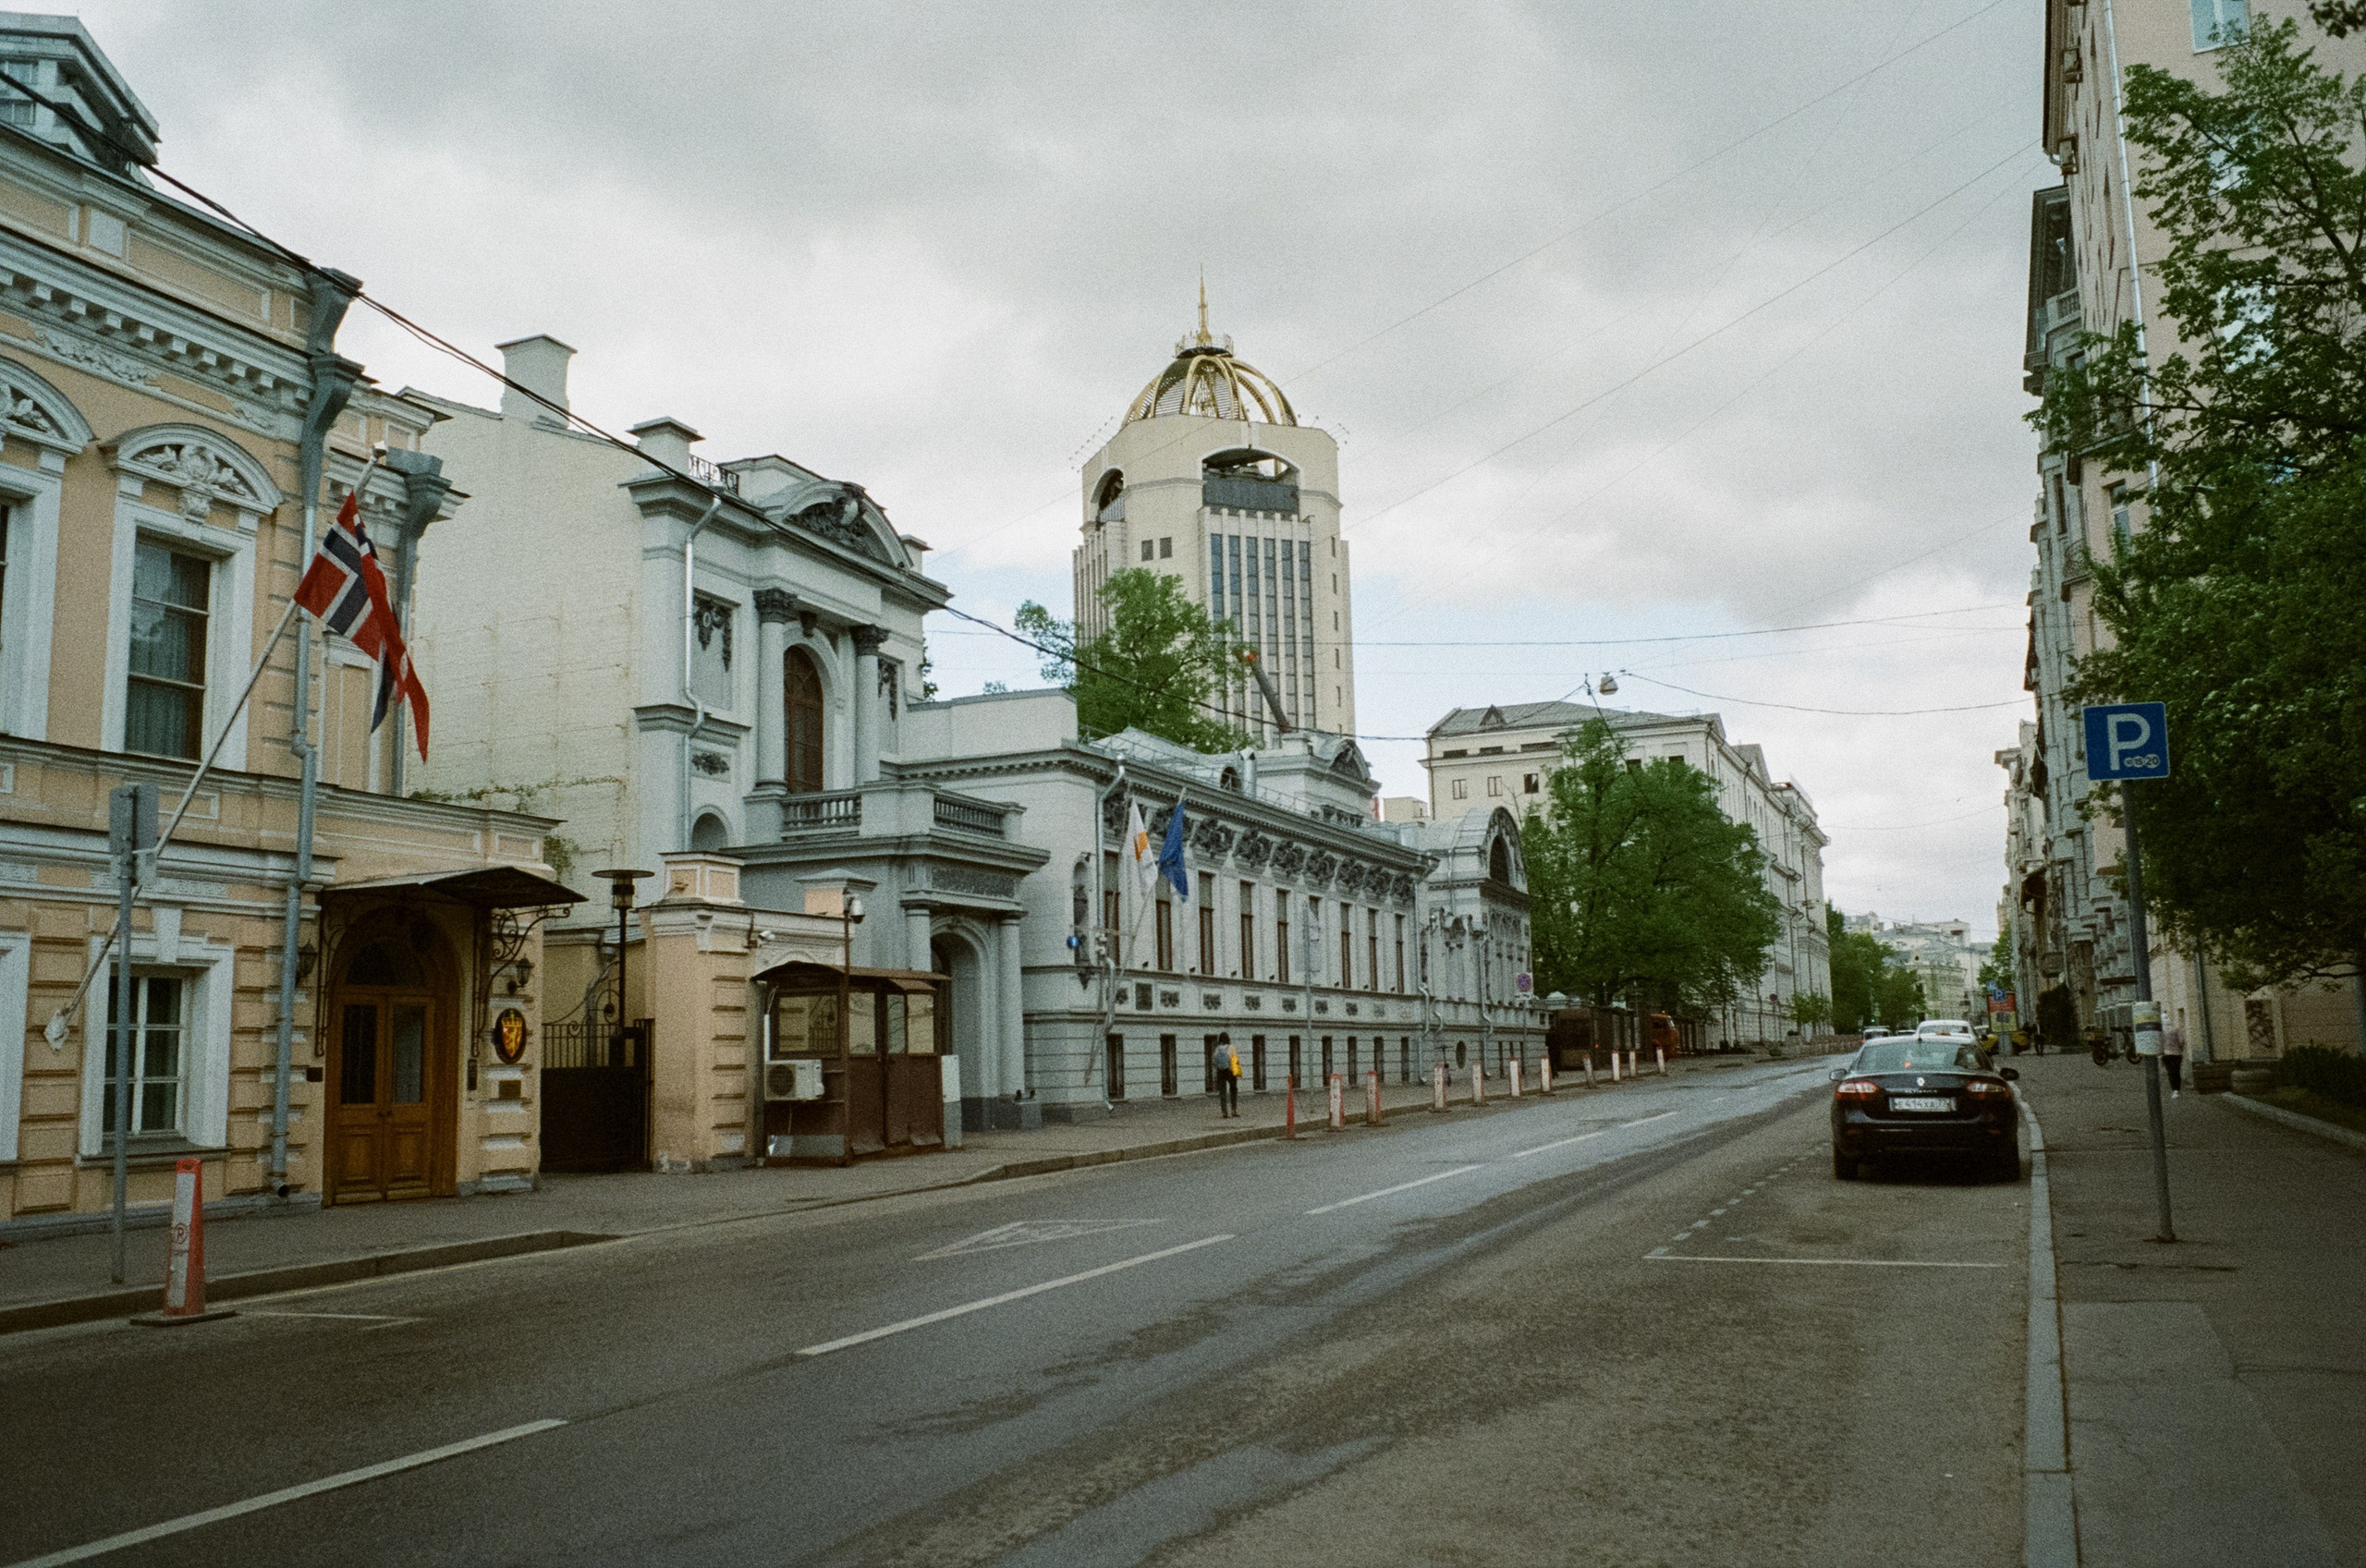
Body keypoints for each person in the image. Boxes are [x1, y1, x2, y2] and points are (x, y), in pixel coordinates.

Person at [1214, 1038, 1241, 1118]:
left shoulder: (1217, 1049)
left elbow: (1214, 1061)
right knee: (1233, 1089)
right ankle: (1234, 1110)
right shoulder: (1231, 1048)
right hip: (1230, 1071)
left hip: (1220, 1071)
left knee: (1222, 1091)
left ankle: (1224, 1112)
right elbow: (1235, 1059)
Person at [2162, 1024, 2186, 1097]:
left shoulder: (2161, 1030)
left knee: (2170, 1072)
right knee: (2177, 1071)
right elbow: (2181, 1041)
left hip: (2166, 1054)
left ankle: (2174, 1090)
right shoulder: (2175, 1028)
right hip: (2177, 1054)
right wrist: (2180, 1048)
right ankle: (2177, 1089)